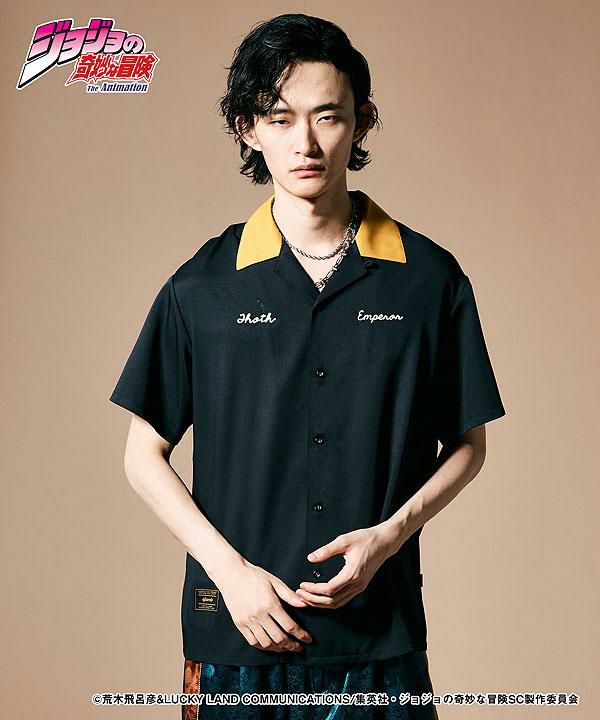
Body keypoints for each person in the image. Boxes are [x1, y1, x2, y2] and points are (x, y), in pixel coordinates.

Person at [109, 13, 506, 720]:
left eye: (328, 116)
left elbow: (469, 444)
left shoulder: (428, 279)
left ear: (361, 121)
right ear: (247, 129)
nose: (306, 142)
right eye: (279, 117)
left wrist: (389, 537)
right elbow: (143, 455)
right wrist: (230, 576)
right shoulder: (202, 286)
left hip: (379, 636)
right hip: (236, 637)